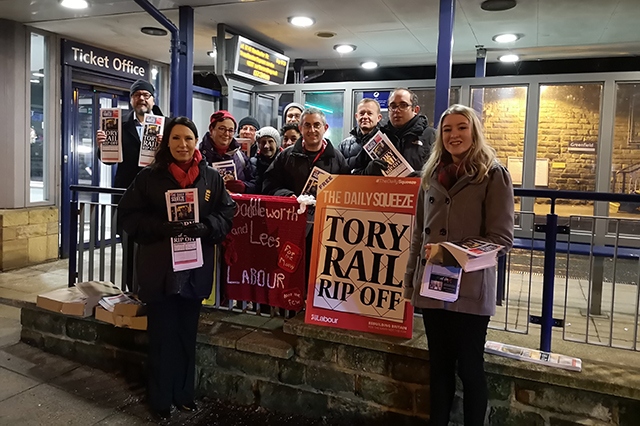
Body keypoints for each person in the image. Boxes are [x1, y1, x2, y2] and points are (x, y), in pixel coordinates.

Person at [118, 117, 235, 422]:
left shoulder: (211, 178)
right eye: (176, 139)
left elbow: (227, 211)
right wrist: (160, 228)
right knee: (161, 336)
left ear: (197, 141)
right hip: (160, 269)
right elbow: (128, 214)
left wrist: (207, 227)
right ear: (166, 142)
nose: (183, 145)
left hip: (194, 269)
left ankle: (184, 395)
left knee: (186, 335)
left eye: (188, 139)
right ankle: (160, 399)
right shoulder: (148, 178)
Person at [403, 104, 514, 426]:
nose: (454, 135)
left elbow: (500, 238)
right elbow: (418, 235)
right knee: (438, 366)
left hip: (470, 287)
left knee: (469, 367)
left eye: (461, 127)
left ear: (474, 130)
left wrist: (450, 252)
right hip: (433, 284)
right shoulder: (429, 175)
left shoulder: (493, 174)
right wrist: (411, 282)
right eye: (448, 129)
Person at [96, 79, 162, 292]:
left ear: (153, 99)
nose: (141, 98)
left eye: (146, 95)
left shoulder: (166, 124)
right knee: (129, 247)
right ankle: (132, 292)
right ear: (131, 99)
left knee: (155, 247)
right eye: (137, 95)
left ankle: (153, 292)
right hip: (128, 195)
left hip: (157, 197)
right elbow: (108, 159)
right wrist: (102, 146)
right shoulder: (118, 123)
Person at [263, 107, 349, 196]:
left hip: (325, 209)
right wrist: (287, 195)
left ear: (325, 128)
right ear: (300, 128)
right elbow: (270, 185)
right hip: (293, 209)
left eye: (316, 125)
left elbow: (347, 189)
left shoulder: (337, 158)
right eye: (307, 125)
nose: (312, 130)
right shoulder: (286, 156)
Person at [199, 110, 256, 194]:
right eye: (222, 129)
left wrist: (244, 187)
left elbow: (255, 184)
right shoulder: (199, 156)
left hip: (235, 205)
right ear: (211, 130)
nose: (226, 134)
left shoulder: (241, 157)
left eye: (230, 130)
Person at [381, 87, 436, 172]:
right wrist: (369, 170)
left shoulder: (432, 136)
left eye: (403, 105)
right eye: (393, 106)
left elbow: (442, 172)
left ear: (415, 109)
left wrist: (423, 176)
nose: (397, 110)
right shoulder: (380, 137)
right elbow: (358, 171)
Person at [338, 98, 385, 175]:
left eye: (370, 113)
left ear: (379, 118)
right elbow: (336, 170)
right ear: (356, 116)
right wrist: (357, 160)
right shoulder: (345, 145)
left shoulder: (386, 142)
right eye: (362, 113)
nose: (365, 117)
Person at [250, 126, 282, 194]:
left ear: (277, 144)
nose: (266, 146)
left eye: (270, 141)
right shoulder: (253, 163)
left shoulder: (283, 163)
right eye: (263, 142)